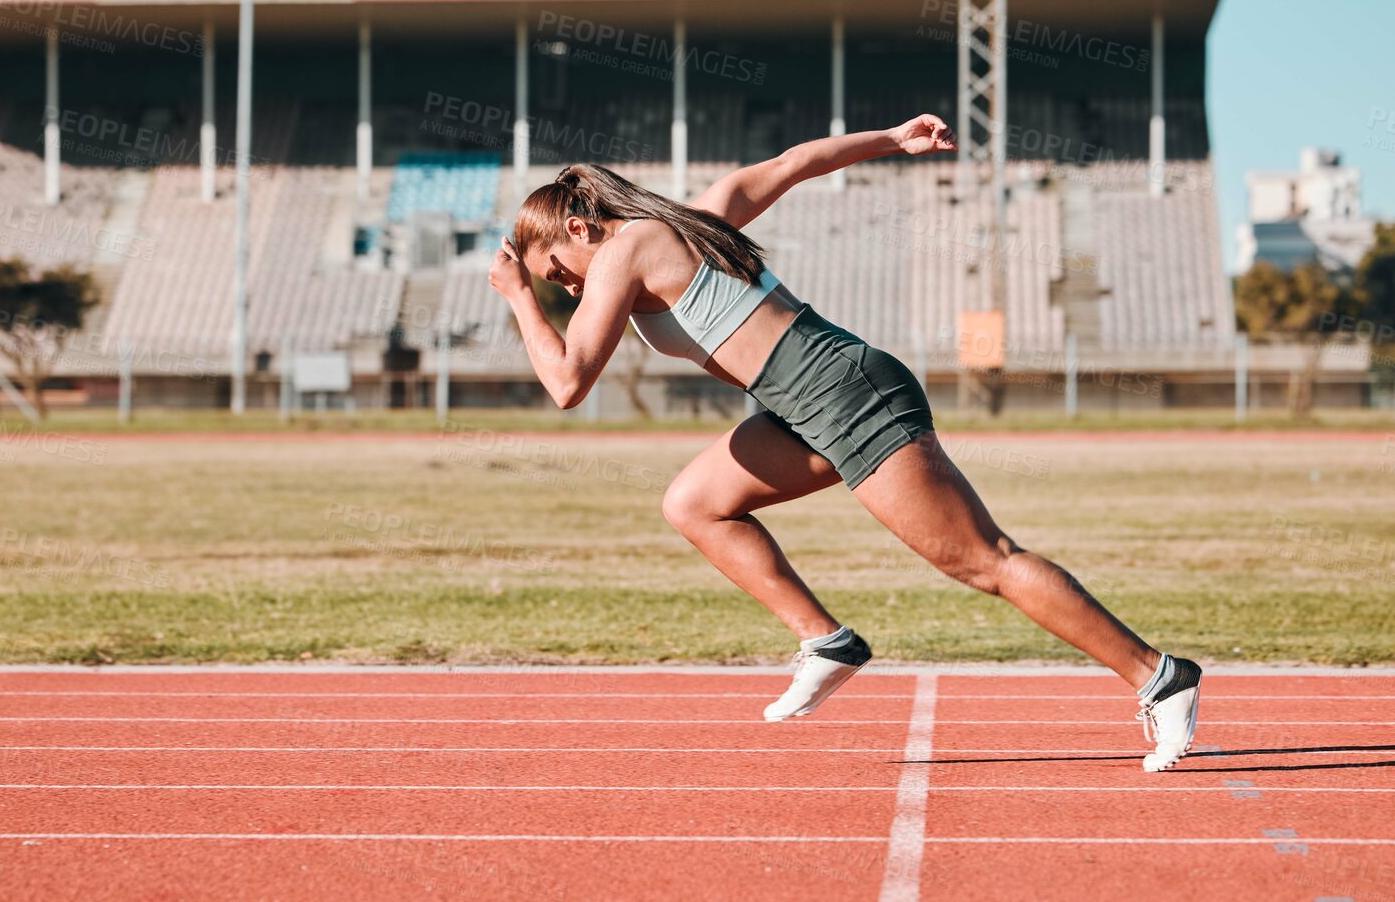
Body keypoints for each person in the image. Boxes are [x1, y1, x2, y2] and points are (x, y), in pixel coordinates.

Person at [487, 115, 1202, 773]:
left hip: (843, 392)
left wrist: (521, 296)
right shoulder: (695, 220)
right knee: (695, 503)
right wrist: (893, 138)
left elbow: (568, 381)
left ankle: (1158, 674)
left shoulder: (623, 248)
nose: (569, 292)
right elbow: (797, 162)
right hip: (800, 404)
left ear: (579, 228)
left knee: (985, 561)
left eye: (560, 273)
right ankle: (826, 640)